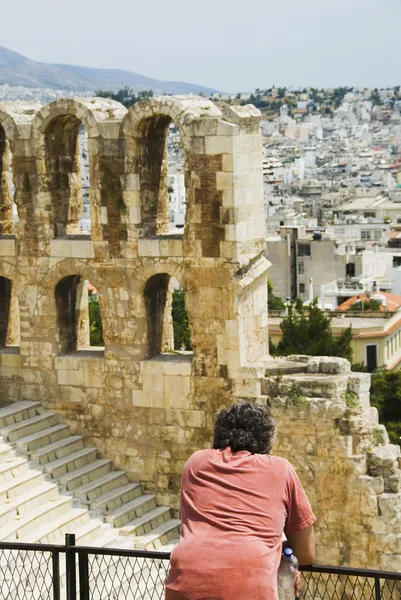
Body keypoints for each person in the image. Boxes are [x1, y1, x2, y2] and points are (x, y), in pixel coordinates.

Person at [165, 400, 316, 600]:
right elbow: (305, 553)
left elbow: (192, 527)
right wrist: (272, 551)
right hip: (249, 586)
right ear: (267, 438)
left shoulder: (195, 463)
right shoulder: (280, 469)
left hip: (186, 583)